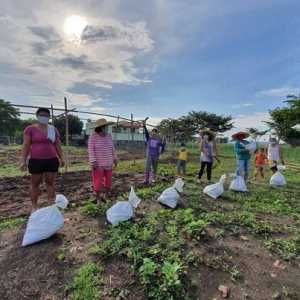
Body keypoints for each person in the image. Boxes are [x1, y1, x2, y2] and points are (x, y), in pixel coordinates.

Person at [20, 107, 64, 212]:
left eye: (46, 116)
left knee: (50, 183)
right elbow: (26, 145)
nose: (44, 117)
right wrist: (23, 160)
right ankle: (34, 206)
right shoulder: (30, 129)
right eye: (42, 115)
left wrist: (62, 158)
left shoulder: (53, 129)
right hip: (36, 160)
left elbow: (58, 145)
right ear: (37, 116)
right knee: (35, 184)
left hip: (52, 159)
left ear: (49, 117)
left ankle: (51, 205)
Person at [88, 119, 118, 203]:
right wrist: (93, 161)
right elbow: (91, 149)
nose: (107, 128)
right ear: (101, 127)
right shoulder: (93, 136)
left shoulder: (109, 136)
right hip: (98, 164)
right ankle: (98, 198)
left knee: (108, 181)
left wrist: (115, 158)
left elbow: (112, 148)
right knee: (98, 182)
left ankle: (106, 196)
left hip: (109, 162)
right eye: (106, 126)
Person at [143, 119, 165, 184]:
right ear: (151, 133)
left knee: (154, 168)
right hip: (149, 155)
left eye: (155, 132)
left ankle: (153, 179)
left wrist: (161, 153)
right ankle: (146, 180)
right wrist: (144, 125)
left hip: (156, 156)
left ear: (157, 133)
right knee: (147, 167)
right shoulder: (149, 138)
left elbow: (162, 146)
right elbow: (146, 133)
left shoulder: (158, 141)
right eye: (153, 132)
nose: (154, 133)